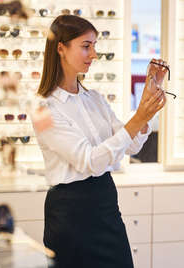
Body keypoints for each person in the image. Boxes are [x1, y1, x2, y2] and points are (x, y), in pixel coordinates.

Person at [33, 14, 166, 267]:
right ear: (60, 48)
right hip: (69, 214)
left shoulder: (94, 99)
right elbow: (89, 161)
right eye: (86, 46)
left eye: (94, 46)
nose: (93, 54)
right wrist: (139, 116)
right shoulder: (43, 110)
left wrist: (147, 102)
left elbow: (132, 145)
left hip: (105, 204)